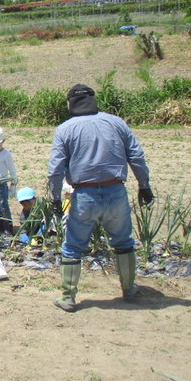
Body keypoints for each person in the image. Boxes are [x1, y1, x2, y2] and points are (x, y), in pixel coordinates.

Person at [48, 84, 154, 312]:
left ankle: (68, 297)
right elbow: (136, 155)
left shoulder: (65, 129)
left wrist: (55, 198)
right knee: (123, 243)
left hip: (85, 195)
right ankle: (129, 289)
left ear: (70, 104)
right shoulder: (116, 122)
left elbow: (55, 169)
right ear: (93, 100)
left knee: (73, 246)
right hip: (116, 191)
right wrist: (144, 185)